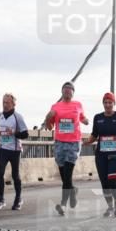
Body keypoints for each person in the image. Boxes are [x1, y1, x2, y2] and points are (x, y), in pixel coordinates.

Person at [43, 81, 88, 216]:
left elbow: (82, 118)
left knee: (67, 174)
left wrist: (86, 120)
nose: (67, 91)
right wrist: (47, 118)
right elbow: (50, 127)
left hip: (74, 143)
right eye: (65, 89)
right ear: (62, 92)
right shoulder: (55, 106)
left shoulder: (78, 105)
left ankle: (63, 204)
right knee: (64, 176)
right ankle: (72, 191)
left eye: (70, 89)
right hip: (60, 143)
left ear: (73, 92)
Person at [85, 92, 116, 217]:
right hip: (100, 155)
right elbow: (94, 135)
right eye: (105, 102)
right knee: (104, 183)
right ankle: (110, 207)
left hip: (115, 154)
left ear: (114, 103)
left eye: (110, 102)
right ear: (103, 103)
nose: (107, 105)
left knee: (112, 181)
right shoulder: (97, 117)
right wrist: (86, 142)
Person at [0, 93, 28, 210]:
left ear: (13, 104)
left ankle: (18, 198)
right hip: (3, 149)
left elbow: (25, 134)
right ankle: (1, 199)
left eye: (7, 103)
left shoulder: (18, 117)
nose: (5, 105)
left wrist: (14, 133)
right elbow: (2, 130)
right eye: (3, 102)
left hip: (15, 150)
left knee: (15, 175)